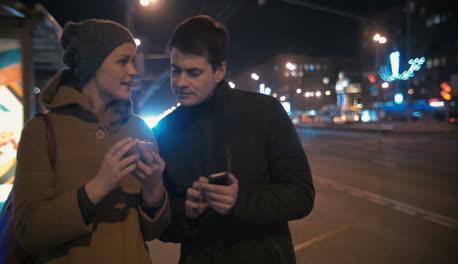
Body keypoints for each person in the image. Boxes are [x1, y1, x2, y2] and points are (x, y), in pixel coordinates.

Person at [154, 15, 314, 264]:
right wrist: (186, 212)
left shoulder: (264, 112)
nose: (180, 82)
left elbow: (301, 195)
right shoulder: (165, 130)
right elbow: (163, 227)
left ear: (220, 71)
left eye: (194, 72)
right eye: (175, 71)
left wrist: (240, 202)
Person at [13, 19, 170, 264]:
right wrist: (97, 187)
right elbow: (28, 232)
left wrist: (154, 188)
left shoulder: (138, 127)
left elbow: (153, 232)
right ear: (93, 65)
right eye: (122, 61)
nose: (133, 71)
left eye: (133, 60)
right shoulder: (42, 131)